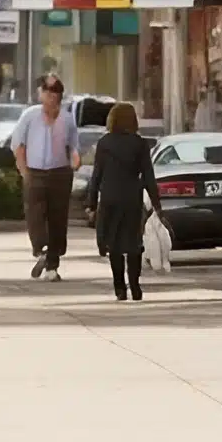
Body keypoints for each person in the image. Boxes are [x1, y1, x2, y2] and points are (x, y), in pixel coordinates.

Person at [85, 101, 161, 301]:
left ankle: (119, 287)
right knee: (134, 244)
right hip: (131, 198)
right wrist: (157, 205)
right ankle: (135, 286)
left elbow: (97, 175)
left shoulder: (104, 143)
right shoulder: (139, 143)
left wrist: (91, 203)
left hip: (109, 198)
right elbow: (148, 176)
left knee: (114, 245)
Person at [12, 73, 80, 281]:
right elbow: (18, 145)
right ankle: (40, 250)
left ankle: (52, 266)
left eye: (55, 91)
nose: (51, 95)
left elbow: (74, 146)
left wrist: (75, 161)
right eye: (47, 90)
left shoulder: (67, 118)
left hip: (60, 173)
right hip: (35, 172)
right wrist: (24, 171)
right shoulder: (29, 116)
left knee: (58, 219)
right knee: (35, 214)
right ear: (40, 93)